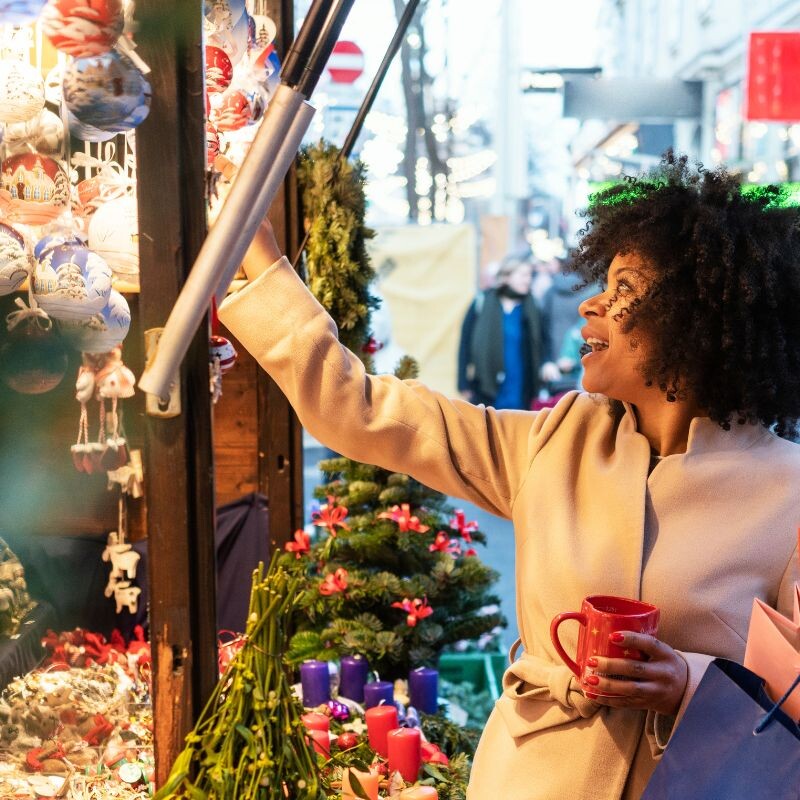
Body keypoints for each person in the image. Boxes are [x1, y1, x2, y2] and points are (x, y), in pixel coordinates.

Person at [219, 152, 800, 799]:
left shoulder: (789, 494)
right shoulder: (552, 442)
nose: (590, 306)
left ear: (700, 317)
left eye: (625, 290)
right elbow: (360, 409)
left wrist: (688, 685)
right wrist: (262, 262)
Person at [457, 252, 544, 409]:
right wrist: (463, 383)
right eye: (523, 275)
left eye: (530, 275)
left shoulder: (532, 307)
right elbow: (465, 343)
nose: (528, 280)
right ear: (506, 277)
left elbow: (542, 343)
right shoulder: (482, 302)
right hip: (487, 386)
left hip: (521, 385)